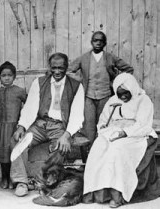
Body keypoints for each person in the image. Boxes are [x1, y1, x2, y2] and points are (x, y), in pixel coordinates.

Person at [10, 52, 85, 197]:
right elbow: (30, 108)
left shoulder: (76, 86)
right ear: (49, 67)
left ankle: (41, 181)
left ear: (67, 67)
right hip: (40, 124)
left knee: (61, 148)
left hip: (60, 126)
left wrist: (67, 135)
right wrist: (21, 126)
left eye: (61, 68)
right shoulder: (39, 82)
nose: (57, 71)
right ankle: (21, 182)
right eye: (54, 68)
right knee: (16, 140)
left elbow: (77, 114)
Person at [83, 73, 160, 208]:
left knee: (117, 150)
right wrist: (105, 130)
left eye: (125, 93)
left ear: (132, 89)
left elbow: (143, 125)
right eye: (119, 93)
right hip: (113, 133)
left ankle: (117, 195)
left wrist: (124, 132)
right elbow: (103, 121)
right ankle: (96, 193)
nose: (122, 96)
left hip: (136, 135)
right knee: (98, 147)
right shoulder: (113, 100)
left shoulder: (143, 100)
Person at [68, 31, 134, 145]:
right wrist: (80, 80)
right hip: (88, 97)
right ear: (91, 42)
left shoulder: (110, 57)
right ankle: (90, 153)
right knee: (89, 125)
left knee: (105, 124)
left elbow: (129, 69)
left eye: (101, 41)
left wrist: (116, 82)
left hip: (106, 96)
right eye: (95, 40)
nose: (98, 43)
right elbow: (69, 71)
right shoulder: (84, 58)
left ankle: (103, 150)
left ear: (105, 43)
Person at [0, 61, 27, 189]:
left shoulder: (20, 91)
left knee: (13, 154)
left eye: (9, 75)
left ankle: (13, 178)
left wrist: (23, 121)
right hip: (0, 127)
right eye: (3, 75)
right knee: (3, 155)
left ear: (14, 76)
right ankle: (4, 178)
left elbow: (30, 105)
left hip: (14, 127)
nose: (6, 78)